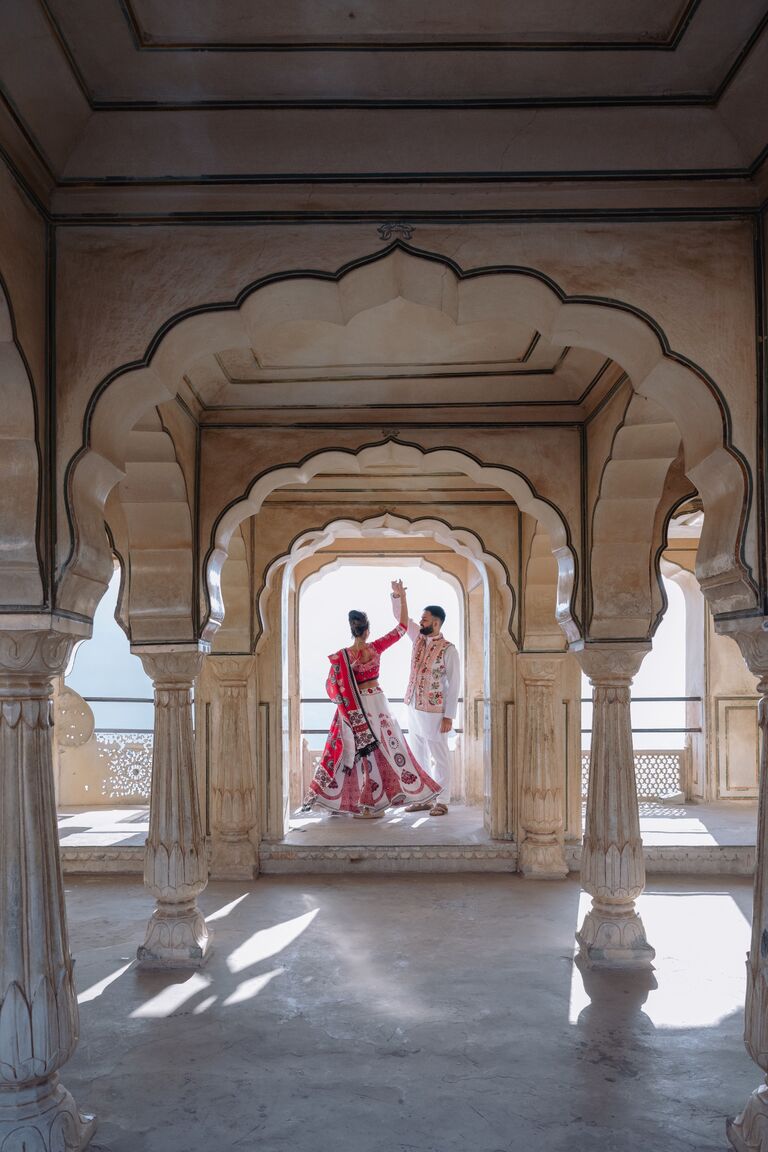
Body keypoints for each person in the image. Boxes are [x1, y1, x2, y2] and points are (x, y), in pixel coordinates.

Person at [303, 589, 441, 818]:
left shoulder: (343, 656)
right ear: (367, 630)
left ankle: (358, 802)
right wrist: (402, 598)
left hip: (353, 709)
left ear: (353, 630)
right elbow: (402, 628)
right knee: (384, 750)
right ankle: (372, 802)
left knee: (352, 754)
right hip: (377, 705)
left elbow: (331, 687)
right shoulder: (375, 648)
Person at [390, 579, 460, 816]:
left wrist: (449, 716)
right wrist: (399, 596)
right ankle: (423, 798)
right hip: (413, 707)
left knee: (439, 756)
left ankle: (442, 800)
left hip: (435, 712)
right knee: (418, 754)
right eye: (421, 619)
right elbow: (402, 620)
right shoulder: (418, 639)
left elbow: (454, 684)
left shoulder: (449, 649)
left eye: (425, 619)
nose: (421, 622)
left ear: (437, 623)